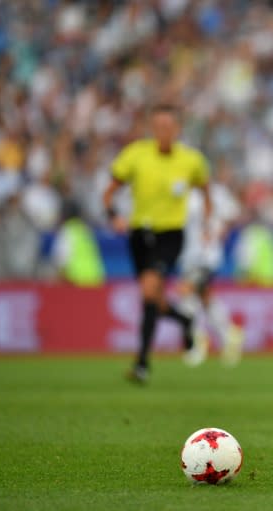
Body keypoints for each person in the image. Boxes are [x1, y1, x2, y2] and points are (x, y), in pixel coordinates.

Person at [103, 103, 211, 383]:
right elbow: (109, 192)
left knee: (150, 291)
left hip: (170, 236)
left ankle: (141, 363)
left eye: (169, 127)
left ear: (177, 129)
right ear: (153, 128)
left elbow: (206, 191)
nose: (164, 132)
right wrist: (113, 215)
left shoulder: (191, 161)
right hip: (139, 235)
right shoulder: (135, 155)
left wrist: (207, 226)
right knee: (152, 297)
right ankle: (185, 321)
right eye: (159, 127)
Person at [177, 166, 245, 367]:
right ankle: (230, 335)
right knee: (204, 297)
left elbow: (234, 213)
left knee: (187, 293)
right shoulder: (185, 193)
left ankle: (197, 343)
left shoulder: (217, 192)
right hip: (189, 254)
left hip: (207, 255)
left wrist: (220, 231)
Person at [50, 200, 105, 287]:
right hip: (95, 280)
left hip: (77, 282)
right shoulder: (85, 230)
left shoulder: (66, 232)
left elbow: (61, 261)